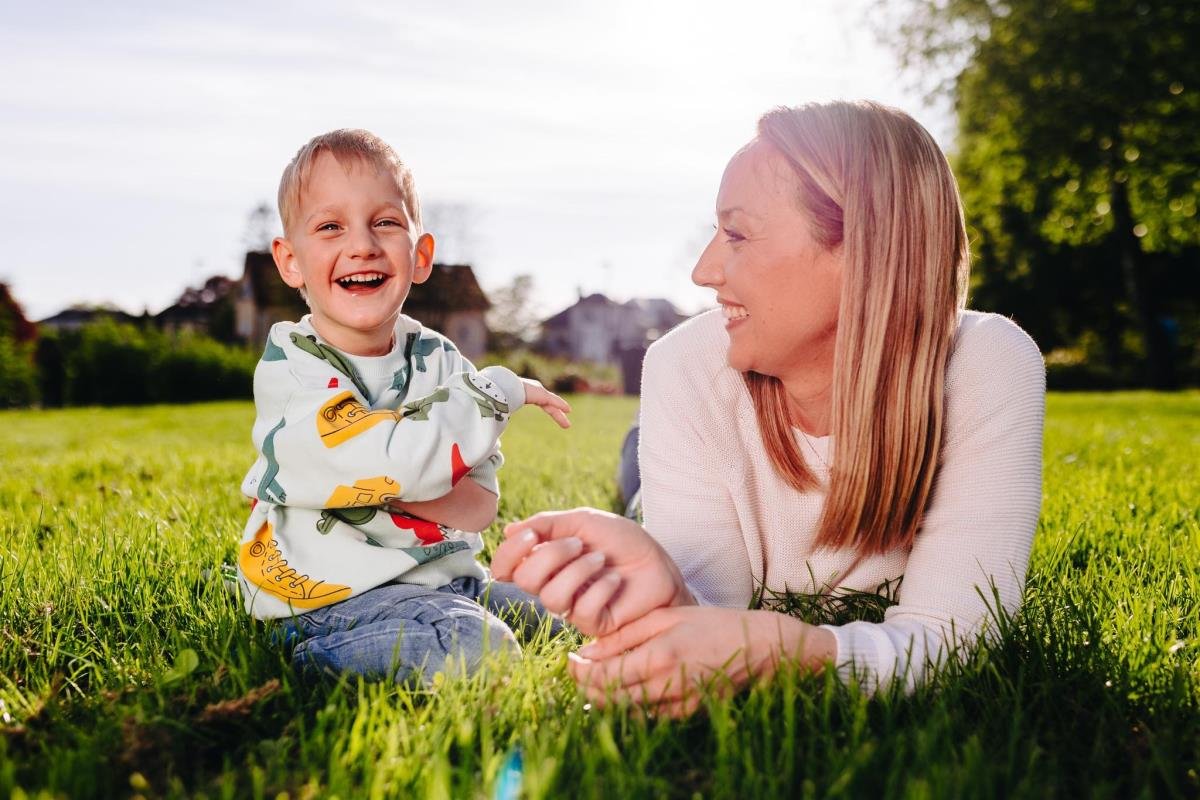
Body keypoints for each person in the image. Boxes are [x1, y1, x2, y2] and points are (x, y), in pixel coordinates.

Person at [491, 101, 1045, 716]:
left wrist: (791, 651)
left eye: (737, 234)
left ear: (862, 250)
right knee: (639, 484)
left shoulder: (986, 363)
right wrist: (669, 590)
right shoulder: (685, 362)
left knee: (639, 469)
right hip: (680, 451)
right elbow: (711, 621)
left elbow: (954, 643)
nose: (703, 271)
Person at [236, 129, 571, 684]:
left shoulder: (439, 358)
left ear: (420, 257)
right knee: (479, 648)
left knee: (569, 611)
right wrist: (492, 397)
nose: (362, 244)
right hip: (332, 602)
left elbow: (478, 502)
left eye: (385, 222)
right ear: (290, 261)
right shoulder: (294, 368)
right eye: (330, 226)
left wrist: (399, 477)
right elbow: (389, 464)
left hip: (446, 579)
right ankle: (307, 658)